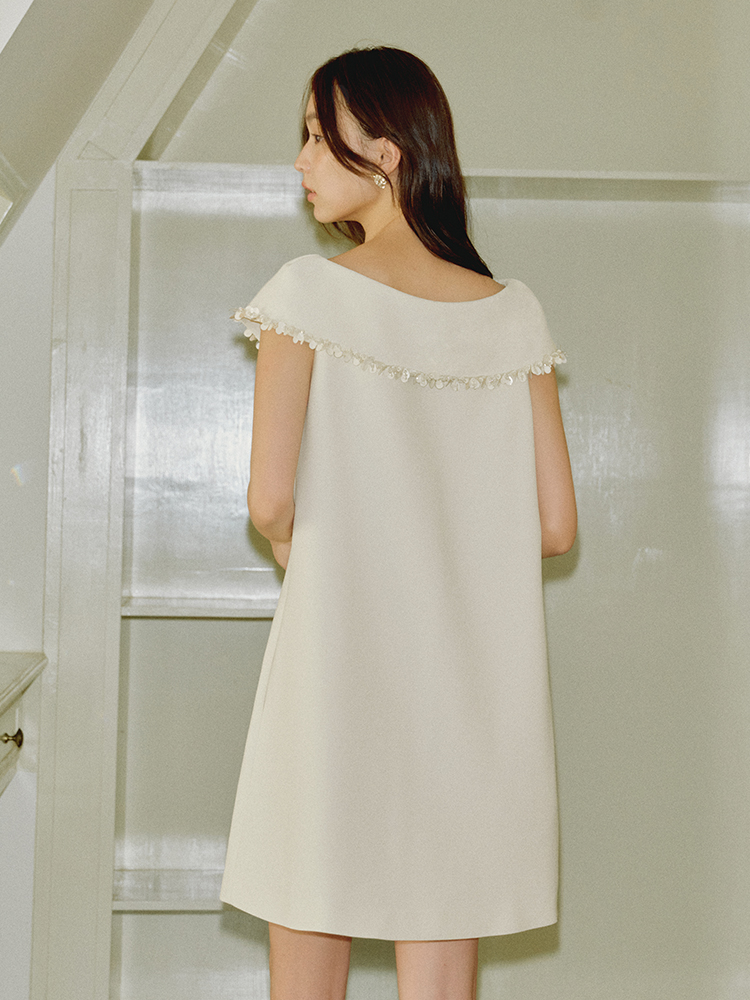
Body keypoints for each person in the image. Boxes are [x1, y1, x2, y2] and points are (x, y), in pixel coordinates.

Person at [221, 46, 577, 1000]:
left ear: (383, 151)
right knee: (443, 933)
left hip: (336, 665)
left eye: (315, 135)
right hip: (468, 683)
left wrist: (311, 555)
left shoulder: (308, 294)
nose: (301, 160)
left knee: (310, 901)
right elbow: (554, 526)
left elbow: (270, 500)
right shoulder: (513, 313)